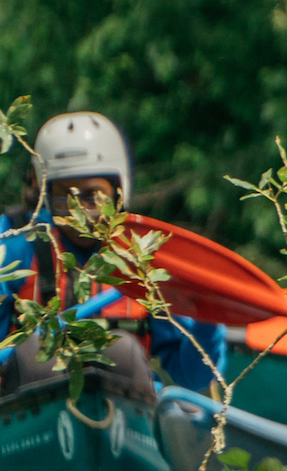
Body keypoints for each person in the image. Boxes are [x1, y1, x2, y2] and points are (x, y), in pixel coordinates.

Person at [0, 110, 227, 398]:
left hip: (125, 415)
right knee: (34, 354)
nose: (77, 213)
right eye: (63, 198)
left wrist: (210, 318)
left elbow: (192, 377)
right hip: (29, 419)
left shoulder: (145, 257)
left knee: (121, 350)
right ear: (45, 195)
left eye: (92, 196)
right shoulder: (14, 243)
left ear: (118, 192)